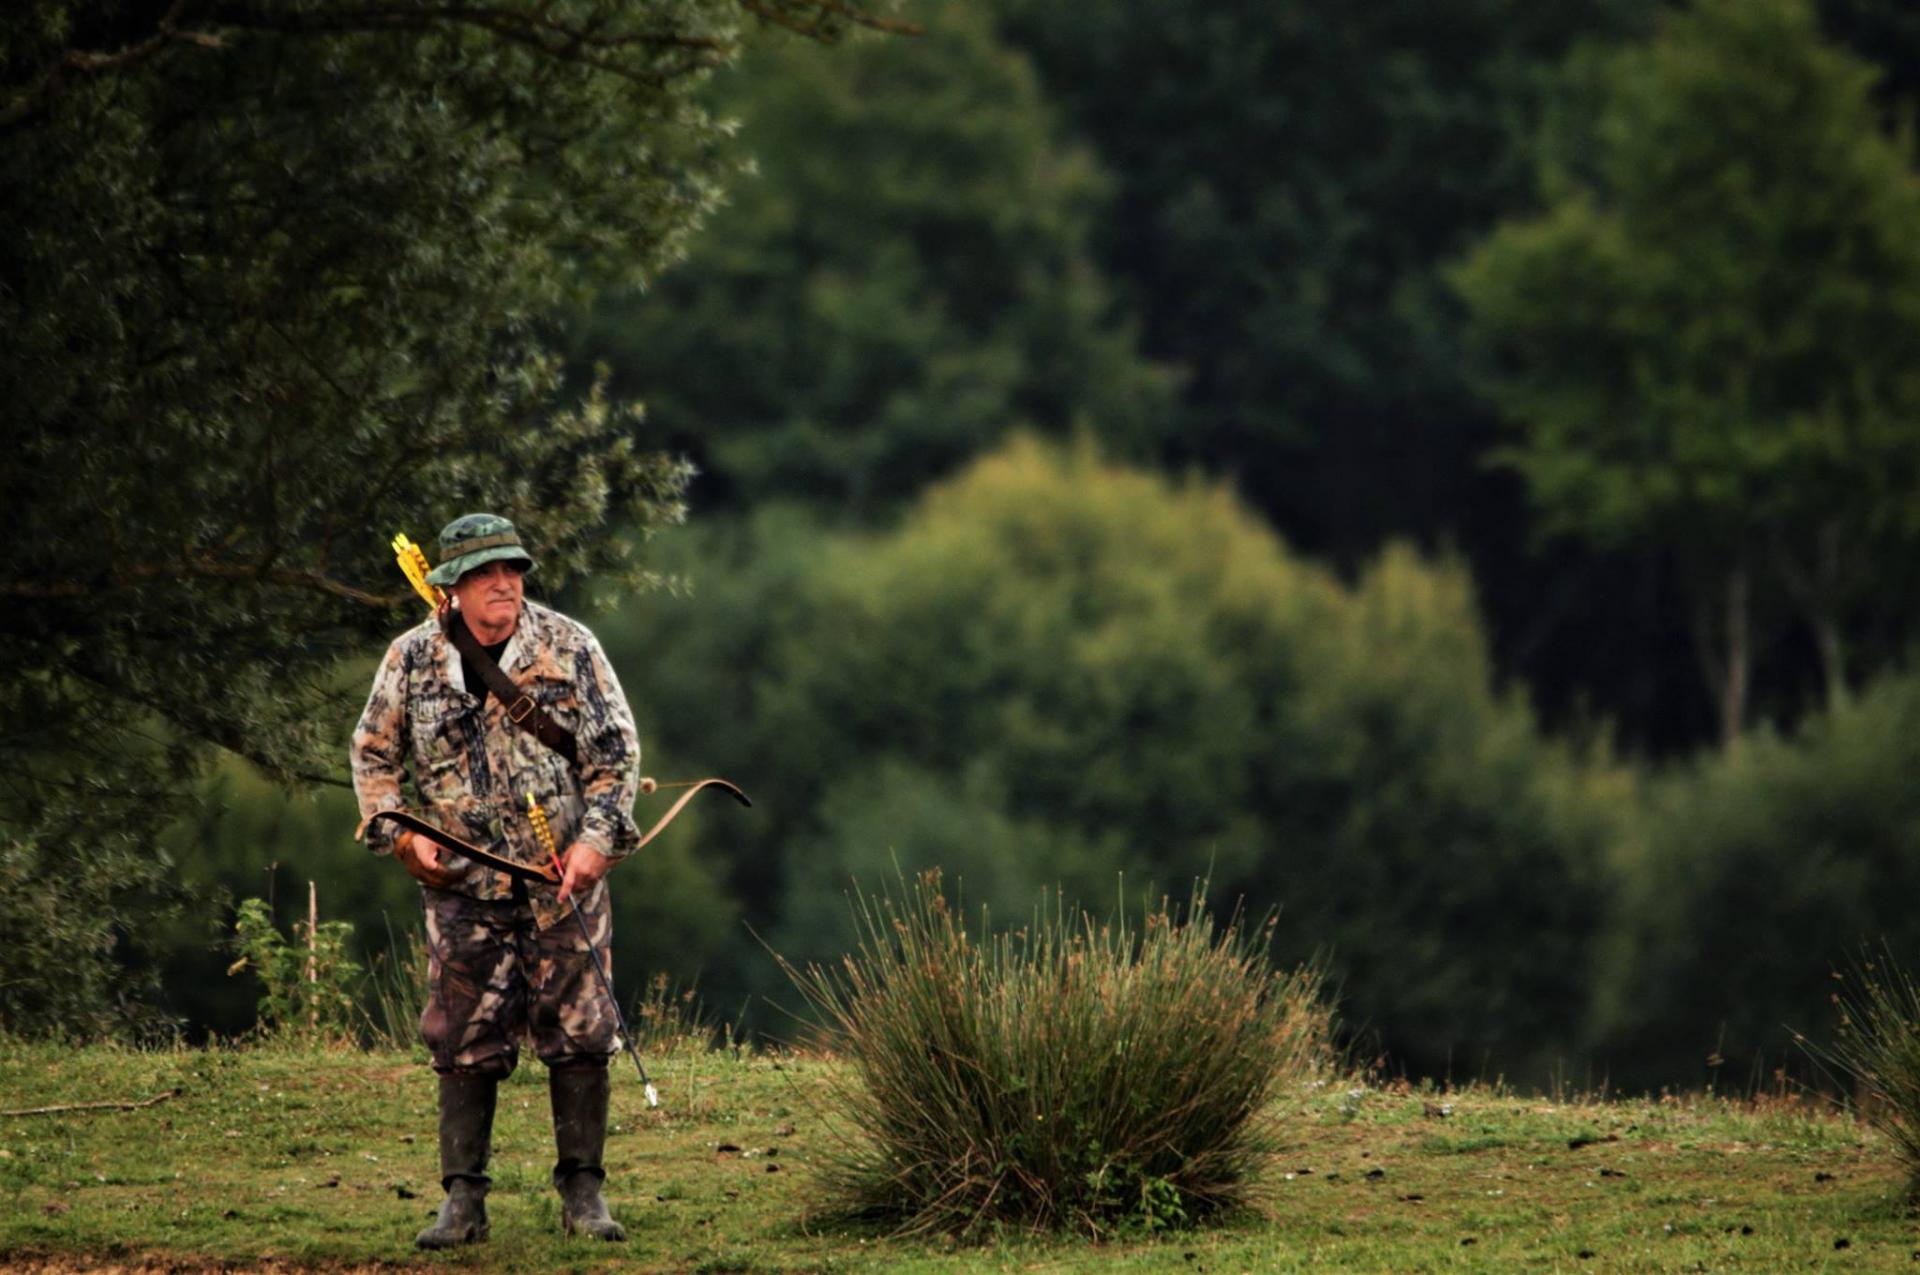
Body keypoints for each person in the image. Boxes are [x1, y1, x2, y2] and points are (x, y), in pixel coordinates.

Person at [351, 512, 643, 1247]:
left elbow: (617, 753)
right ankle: (463, 1203)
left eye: (512, 569)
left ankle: (583, 1196)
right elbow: (372, 757)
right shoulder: (411, 659)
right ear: (450, 586)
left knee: (582, 1031)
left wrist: (597, 842)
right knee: (460, 1038)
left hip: (561, 883)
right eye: (485, 574)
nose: (504, 584)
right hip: (461, 889)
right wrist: (399, 835)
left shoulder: (570, 646)